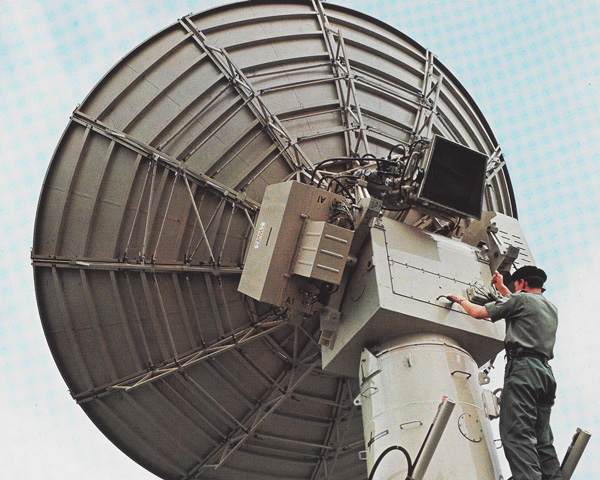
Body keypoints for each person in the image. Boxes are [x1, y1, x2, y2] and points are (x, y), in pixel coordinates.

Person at [448, 265, 562, 480]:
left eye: (515, 285)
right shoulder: (549, 307)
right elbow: (518, 305)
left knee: (516, 433)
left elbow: (478, 312)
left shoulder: (520, 300)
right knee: (542, 438)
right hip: (544, 374)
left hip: (523, 370)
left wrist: (459, 300)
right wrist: (502, 289)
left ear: (522, 284)